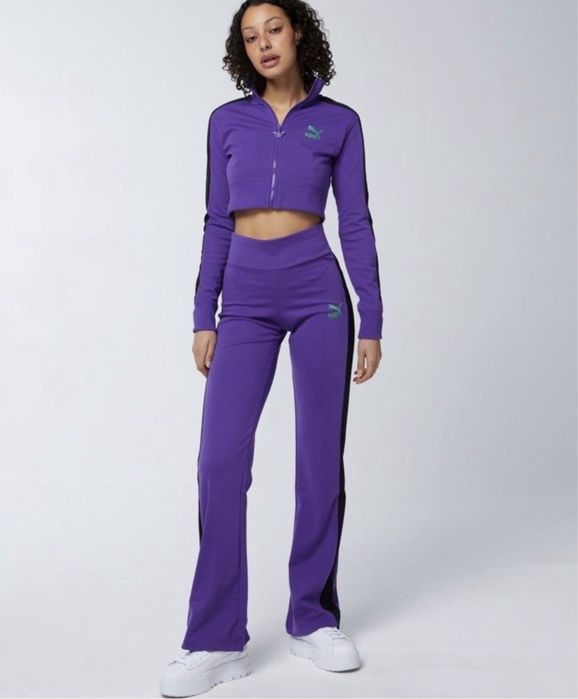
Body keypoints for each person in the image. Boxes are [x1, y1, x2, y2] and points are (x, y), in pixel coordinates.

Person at [160, 1, 383, 696]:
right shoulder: (227, 122)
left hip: (317, 289)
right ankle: (214, 639)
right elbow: (215, 220)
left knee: (318, 459)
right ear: (243, 50)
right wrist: (204, 312)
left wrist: (371, 319)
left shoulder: (339, 122)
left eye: (274, 29)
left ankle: (313, 619)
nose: (263, 44)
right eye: (250, 36)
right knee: (219, 461)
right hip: (247, 296)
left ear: (298, 33)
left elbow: (356, 222)